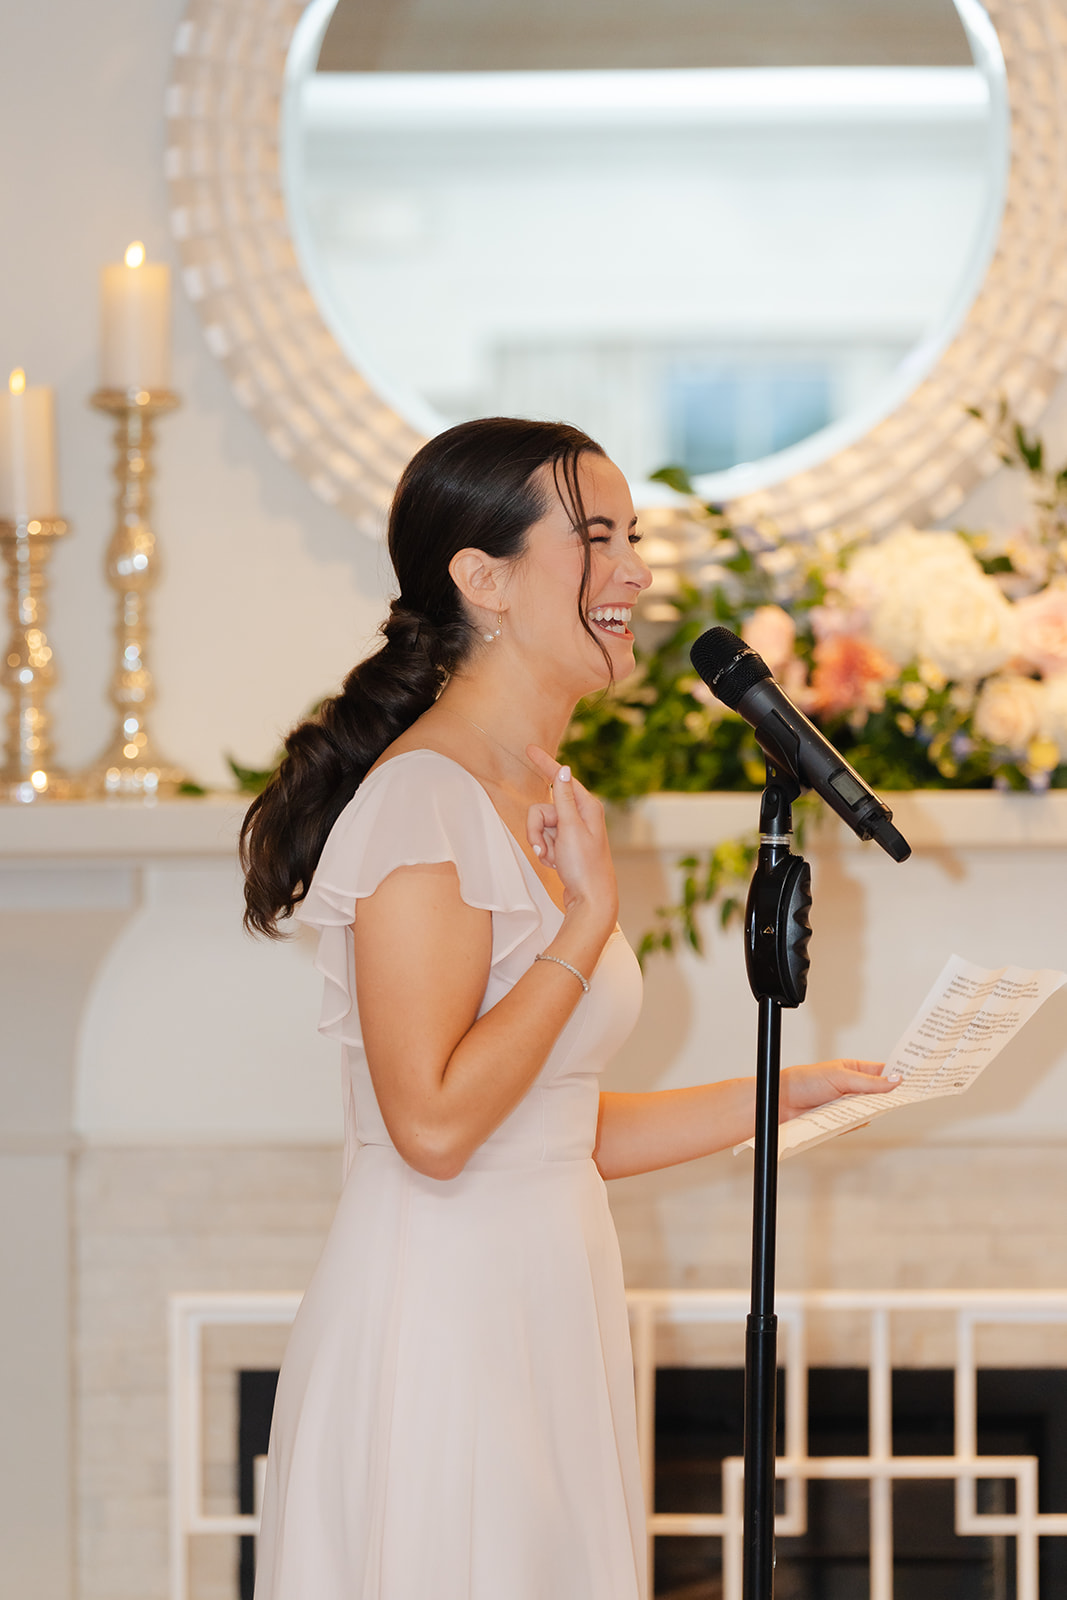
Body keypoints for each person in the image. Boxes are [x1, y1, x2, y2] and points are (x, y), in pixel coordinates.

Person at [240, 417, 898, 1600]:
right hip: (441, 1325)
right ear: (480, 580)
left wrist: (784, 1094)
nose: (636, 574)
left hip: (549, 1302)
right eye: (596, 538)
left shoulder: (547, 793)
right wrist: (582, 928)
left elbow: (550, 1124)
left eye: (631, 537)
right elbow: (434, 1130)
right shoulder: (420, 808)